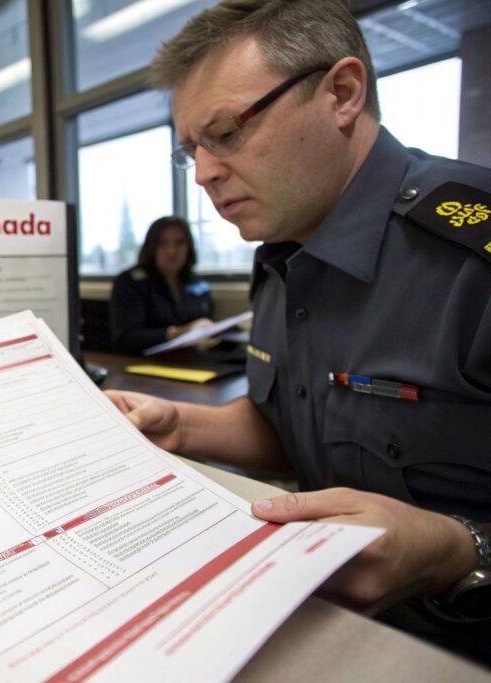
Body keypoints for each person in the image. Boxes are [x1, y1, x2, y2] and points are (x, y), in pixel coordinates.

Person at [106, 0, 491, 665]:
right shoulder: (282, 253)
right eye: (189, 150)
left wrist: (458, 549)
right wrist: (179, 425)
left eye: (225, 132)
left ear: (341, 93)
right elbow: (291, 422)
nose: (202, 174)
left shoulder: (469, 257)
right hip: (311, 617)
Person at [109, 216, 215, 354]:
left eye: (180, 243)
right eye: (163, 243)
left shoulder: (197, 282)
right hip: (146, 363)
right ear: (151, 247)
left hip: (193, 359)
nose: (172, 251)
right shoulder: (130, 282)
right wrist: (180, 332)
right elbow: (125, 340)